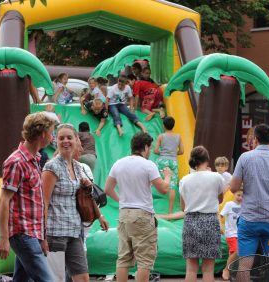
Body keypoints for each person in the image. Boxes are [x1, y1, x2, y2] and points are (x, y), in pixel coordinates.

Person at [42, 123, 109, 282]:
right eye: (61, 138)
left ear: (77, 140)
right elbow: (43, 202)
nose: (65, 141)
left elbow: (86, 197)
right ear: (56, 141)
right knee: (56, 278)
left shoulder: (79, 167)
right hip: (55, 232)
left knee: (83, 278)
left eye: (69, 137)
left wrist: (99, 216)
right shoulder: (51, 167)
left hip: (75, 231)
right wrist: (42, 235)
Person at [104, 132, 172, 282]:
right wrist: (168, 176)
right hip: (142, 215)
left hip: (124, 214)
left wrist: (121, 199)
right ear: (146, 147)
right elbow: (164, 189)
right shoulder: (148, 165)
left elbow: (107, 189)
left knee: (123, 258)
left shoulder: (118, 163)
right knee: (144, 261)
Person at [0, 112, 56, 282]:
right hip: (22, 233)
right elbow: (4, 200)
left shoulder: (34, 159)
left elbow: (35, 202)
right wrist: (3, 238)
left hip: (31, 232)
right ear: (43, 134)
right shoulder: (16, 161)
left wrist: (42, 237)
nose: (52, 138)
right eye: (51, 133)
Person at [230, 124, 269, 257]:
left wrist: (248, 187)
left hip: (249, 219)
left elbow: (234, 188)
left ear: (255, 139)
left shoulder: (244, 158)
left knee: (245, 264)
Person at [179, 146, 225, 282]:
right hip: (210, 221)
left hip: (190, 222)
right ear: (207, 160)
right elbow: (220, 199)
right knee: (208, 269)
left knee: (191, 268)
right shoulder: (216, 177)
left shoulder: (185, 179)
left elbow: (183, 207)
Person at [154, 116, 184, 214]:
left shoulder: (161, 136)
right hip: (173, 161)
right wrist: (174, 154)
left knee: (153, 181)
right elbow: (182, 151)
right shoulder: (178, 137)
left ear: (163, 125)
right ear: (173, 126)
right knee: (172, 187)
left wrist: (162, 153)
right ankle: (170, 211)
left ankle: (148, 208)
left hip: (162, 161)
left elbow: (155, 150)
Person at [219, 190, 243, 281]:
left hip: (241, 233)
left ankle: (232, 270)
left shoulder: (244, 205)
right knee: (237, 250)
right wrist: (220, 225)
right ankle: (226, 269)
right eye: (238, 195)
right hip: (231, 233)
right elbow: (221, 215)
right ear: (234, 194)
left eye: (242, 196)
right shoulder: (229, 204)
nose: (240, 198)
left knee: (232, 253)